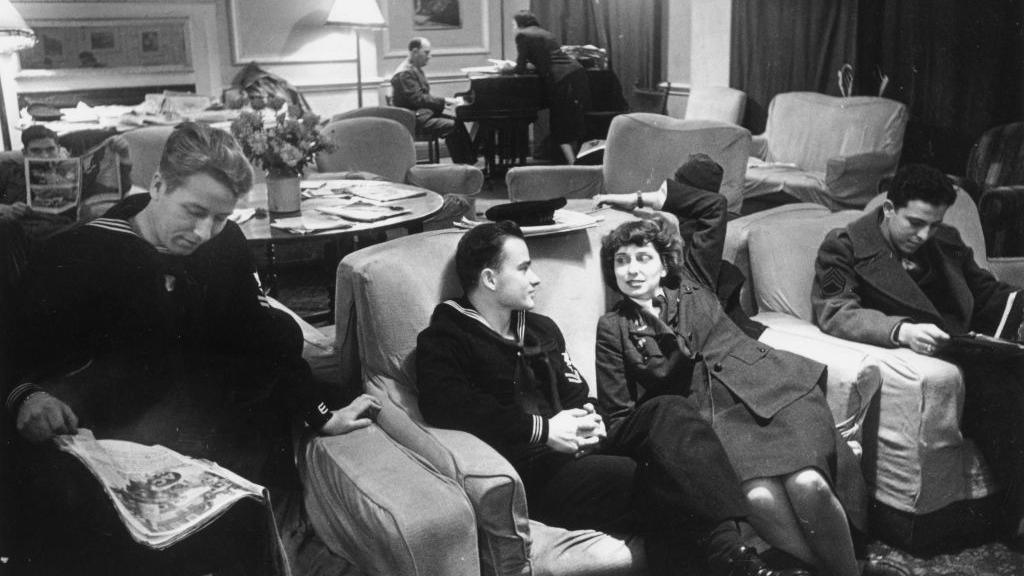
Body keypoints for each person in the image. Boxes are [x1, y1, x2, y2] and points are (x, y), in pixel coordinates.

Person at [4, 122, 382, 575]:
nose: (204, 232)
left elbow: (260, 339)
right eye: (194, 211)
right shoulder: (74, 255)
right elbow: (12, 350)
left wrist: (321, 414)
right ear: (158, 186)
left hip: (206, 432)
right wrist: (27, 395)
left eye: (220, 217)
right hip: (95, 439)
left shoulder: (225, 246)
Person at [416, 220, 808, 576]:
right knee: (652, 477)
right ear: (489, 278)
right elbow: (447, 404)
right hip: (538, 471)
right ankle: (734, 557)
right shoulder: (447, 337)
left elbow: (576, 390)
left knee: (669, 410)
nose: (535, 278)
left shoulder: (539, 328)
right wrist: (544, 430)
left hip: (584, 447)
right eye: (523, 268)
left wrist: (586, 416)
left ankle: (730, 555)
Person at [592, 154, 868, 576]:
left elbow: (711, 208)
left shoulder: (693, 278)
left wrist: (638, 201)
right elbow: (619, 415)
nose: (632, 269)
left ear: (664, 263)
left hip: (772, 387)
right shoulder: (613, 328)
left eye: (642, 257)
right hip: (712, 418)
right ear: (612, 273)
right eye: (621, 261)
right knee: (757, 500)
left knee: (808, 484)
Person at [812, 163, 1024, 544]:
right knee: (1003, 395)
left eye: (933, 223)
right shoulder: (844, 246)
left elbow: (987, 293)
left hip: (972, 346)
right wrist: (901, 330)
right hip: (933, 358)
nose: (924, 235)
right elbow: (836, 311)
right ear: (889, 208)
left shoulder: (945, 240)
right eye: (914, 222)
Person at [0, 125, 133, 241]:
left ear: (58, 150)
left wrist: (124, 156)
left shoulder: (75, 173)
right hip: (22, 233)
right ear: (25, 153)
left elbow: (115, 190)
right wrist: (6, 209)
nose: (45, 156)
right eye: (36, 151)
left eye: (50, 149)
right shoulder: (9, 171)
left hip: (66, 231)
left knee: (100, 226)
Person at [511, 10, 591, 164]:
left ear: (520, 24)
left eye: (514, 25)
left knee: (560, 124)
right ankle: (578, 161)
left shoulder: (522, 35)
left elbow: (520, 68)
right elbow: (547, 59)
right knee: (573, 121)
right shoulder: (545, 33)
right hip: (577, 74)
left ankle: (574, 165)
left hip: (561, 80)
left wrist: (507, 68)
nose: (513, 28)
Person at [391, 37, 476, 164]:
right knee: (453, 127)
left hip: (420, 115)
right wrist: (444, 101)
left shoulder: (413, 69)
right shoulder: (405, 73)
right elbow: (418, 99)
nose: (429, 56)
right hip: (414, 120)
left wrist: (442, 103)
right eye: (426, 52)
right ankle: (464, 166)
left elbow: (421, 98)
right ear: (414, 52)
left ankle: (469, 164)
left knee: (457, 121)